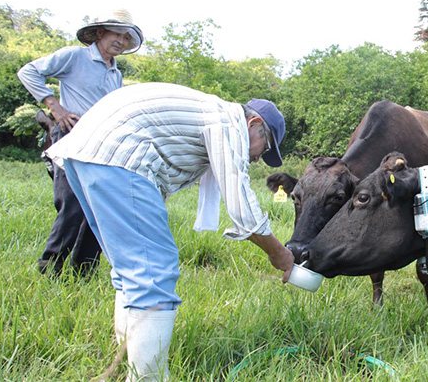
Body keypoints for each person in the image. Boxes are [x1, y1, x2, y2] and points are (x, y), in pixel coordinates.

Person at [45, 82, 295, 381]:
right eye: (262, 149)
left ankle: (130, 354)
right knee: (153, 271)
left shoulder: (207, 112)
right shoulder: (228, 123)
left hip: (88, 152)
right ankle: (147, 376)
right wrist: (279, 254)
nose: (256, 159)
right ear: (254, 124)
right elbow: (242, 208)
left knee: (131, 268)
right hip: (118, 155)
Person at [17, 9, 144, 277]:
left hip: (102, 144)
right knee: (72, 203)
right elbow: (29, 72)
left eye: (125, 37)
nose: (120, 41)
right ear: (100, 33)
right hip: (72, 135)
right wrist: (54, 106)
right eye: (116, 34)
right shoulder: (74, 56)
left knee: (100, 206)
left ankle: (83, 272)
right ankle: (50, 269)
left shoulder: (115, 74)